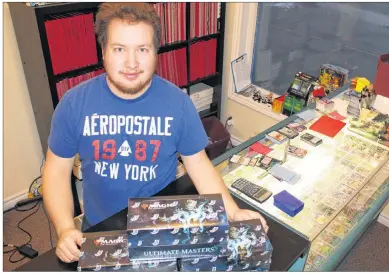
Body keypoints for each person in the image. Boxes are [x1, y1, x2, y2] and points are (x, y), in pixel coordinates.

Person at [42, 3, 268, 264]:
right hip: (100, 230)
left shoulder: (178, 103)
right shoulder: (73, 104)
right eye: (119, 49)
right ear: (103, 51)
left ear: (156, 52)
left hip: (161, 229)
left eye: (142, 49)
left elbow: (199, 164)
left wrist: (232, 211)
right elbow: (56, 171)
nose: (131, 63)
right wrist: (64, 228)